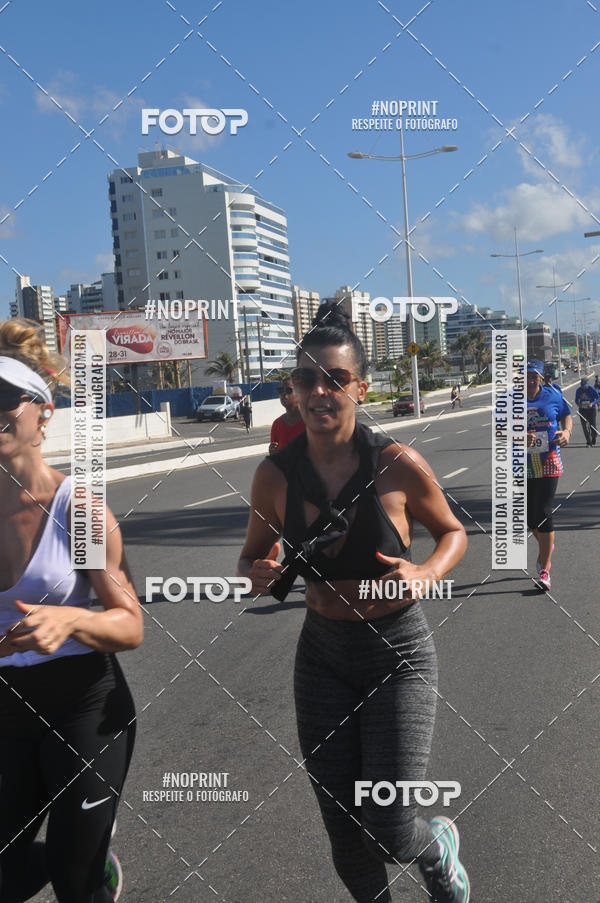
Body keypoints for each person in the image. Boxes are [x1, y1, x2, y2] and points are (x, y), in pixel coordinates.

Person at [238, 303, 470, 903]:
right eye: (307, 378)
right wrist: (258, 573)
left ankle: (436, 848)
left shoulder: (396, 464)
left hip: (397, 654)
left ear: (360, 389)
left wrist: (427, 571)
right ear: (292, 390)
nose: (320, 391)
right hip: (323, 656)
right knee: (343, 830)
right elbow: (252, 557)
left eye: (335, 379)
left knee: (388, 826)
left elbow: (453, 531)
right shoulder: (273, 476)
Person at [0, 319, 143, 902]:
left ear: (43, 413)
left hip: (82, 705)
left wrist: (71, 620)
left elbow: (129, 624)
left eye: (6, 398)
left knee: (76, 884)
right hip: (6, 708)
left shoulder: (75, 510)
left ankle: (85, 863)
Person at [526, 359, 572, 591]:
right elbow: (499, 430)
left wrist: (567, 432)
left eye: (534, 376)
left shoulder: (553, 394)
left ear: (541, 378)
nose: (530, 381)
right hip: (522, 462)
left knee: (543, 512)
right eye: (526, 377)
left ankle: (544, 571)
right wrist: (518, 437)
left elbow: (567, 414)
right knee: (529, 518)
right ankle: (547, 543)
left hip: (549, 459)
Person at [268, 376, 305, 455]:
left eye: (288, 390)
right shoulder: (277, 424)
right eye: (280, 390)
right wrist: (273, 454)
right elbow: (277, 458)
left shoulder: (311, 420)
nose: (284, 394)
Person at [574, 376, 599, 447]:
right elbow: (576, 399)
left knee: (593, 426)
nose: (584, 388)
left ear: (587, 384)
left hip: (591, 409)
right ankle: (588, 441)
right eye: (582, 386)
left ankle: (593, 436)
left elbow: (598, 398)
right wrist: (578, 404)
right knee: (584, 426)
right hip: (582, 410)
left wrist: (592, 403)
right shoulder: (578, 390)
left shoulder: (592, 389)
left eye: (585, 386)